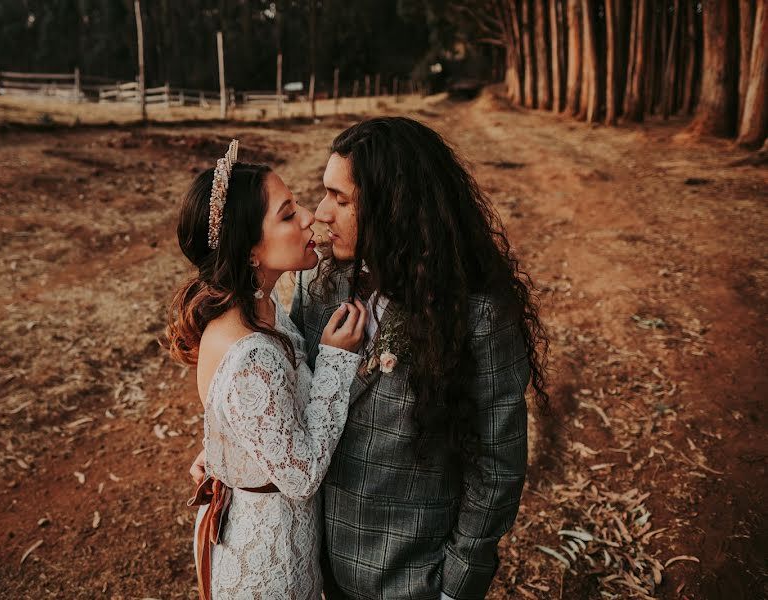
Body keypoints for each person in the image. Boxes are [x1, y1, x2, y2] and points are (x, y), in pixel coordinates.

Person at [289, 117, 549, 600]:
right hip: (315, 565)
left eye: (342, 200)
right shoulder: (319, 283)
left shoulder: (478, 315)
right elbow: (288, 399)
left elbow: (495, 466)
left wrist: (456, 585)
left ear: (394, 209)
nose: (321, 213)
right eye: (325, 193)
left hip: (412, 581)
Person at [164, 140, 368, 600]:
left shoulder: (262, 308)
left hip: (282, 535)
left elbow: (252, 422)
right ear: (250, 250)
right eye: (288, 213)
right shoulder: (250, 353)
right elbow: (300, 476)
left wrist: (220, 454)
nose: (309, 219)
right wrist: (337, 360)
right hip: (268, 565)